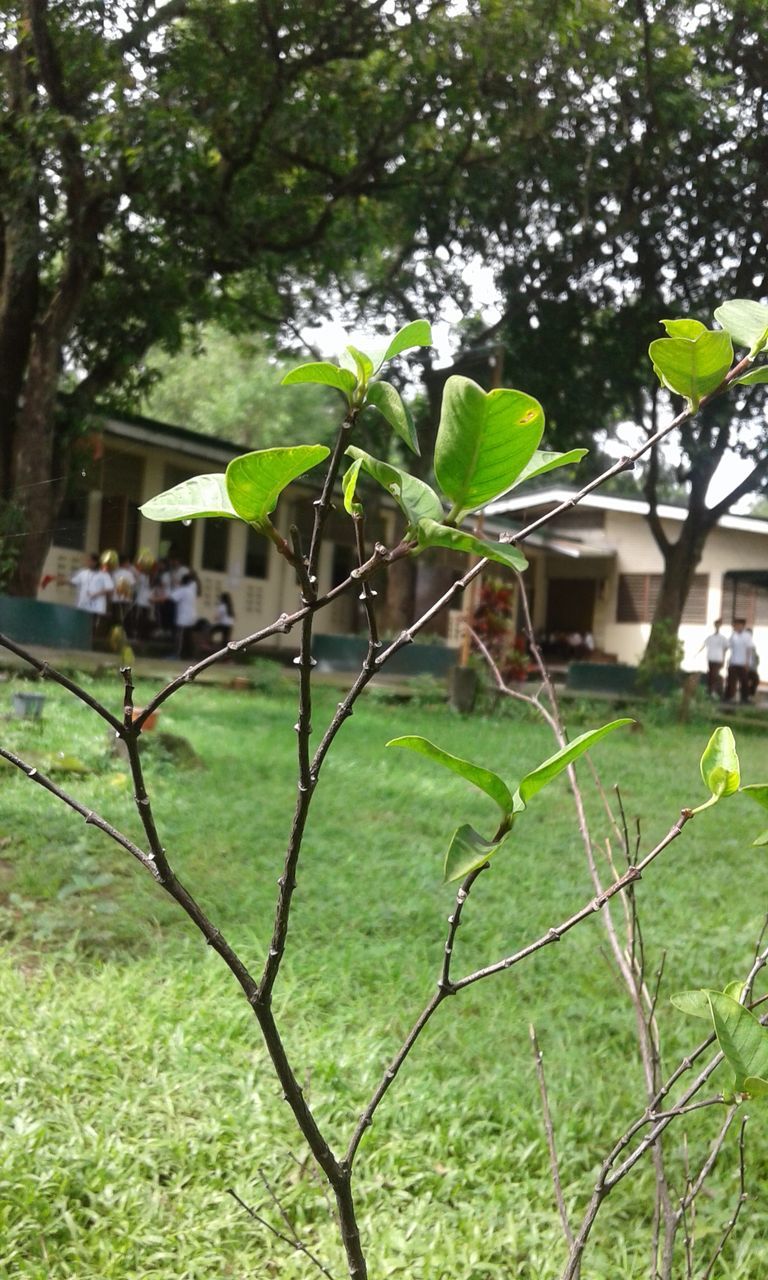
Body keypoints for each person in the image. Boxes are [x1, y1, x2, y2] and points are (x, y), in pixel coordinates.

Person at [170, 571, 198, 658]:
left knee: (180, 638)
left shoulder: (183, 590)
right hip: (192, 617)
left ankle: (177, 655)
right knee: (189, 638)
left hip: (183, 618)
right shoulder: (192, 589)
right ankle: (191, 655)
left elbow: (172, 597)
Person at [725, 618, 753, 703]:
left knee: (744, 681)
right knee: (731, 680)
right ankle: (730, 697)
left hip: (743, 662)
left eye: (737, 625)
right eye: (735, 625)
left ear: (742, 626)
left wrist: (747, 662)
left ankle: (745, 698)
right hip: (733, 662)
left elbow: (749, 649)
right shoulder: (733, 635)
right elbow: (728, 646)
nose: (736, 626)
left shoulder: (747, 635)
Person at [700, 618, 728, 698]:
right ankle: (711, 690)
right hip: (710, 659)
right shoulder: (710, 637)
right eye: (716, 625)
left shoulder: (723, 638)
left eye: (719, 625)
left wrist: (723, 659)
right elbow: (704, 645)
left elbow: (725, 649)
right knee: (711, 674)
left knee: (715, 675)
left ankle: (713, 691)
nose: (717, 626)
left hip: (718, 659)